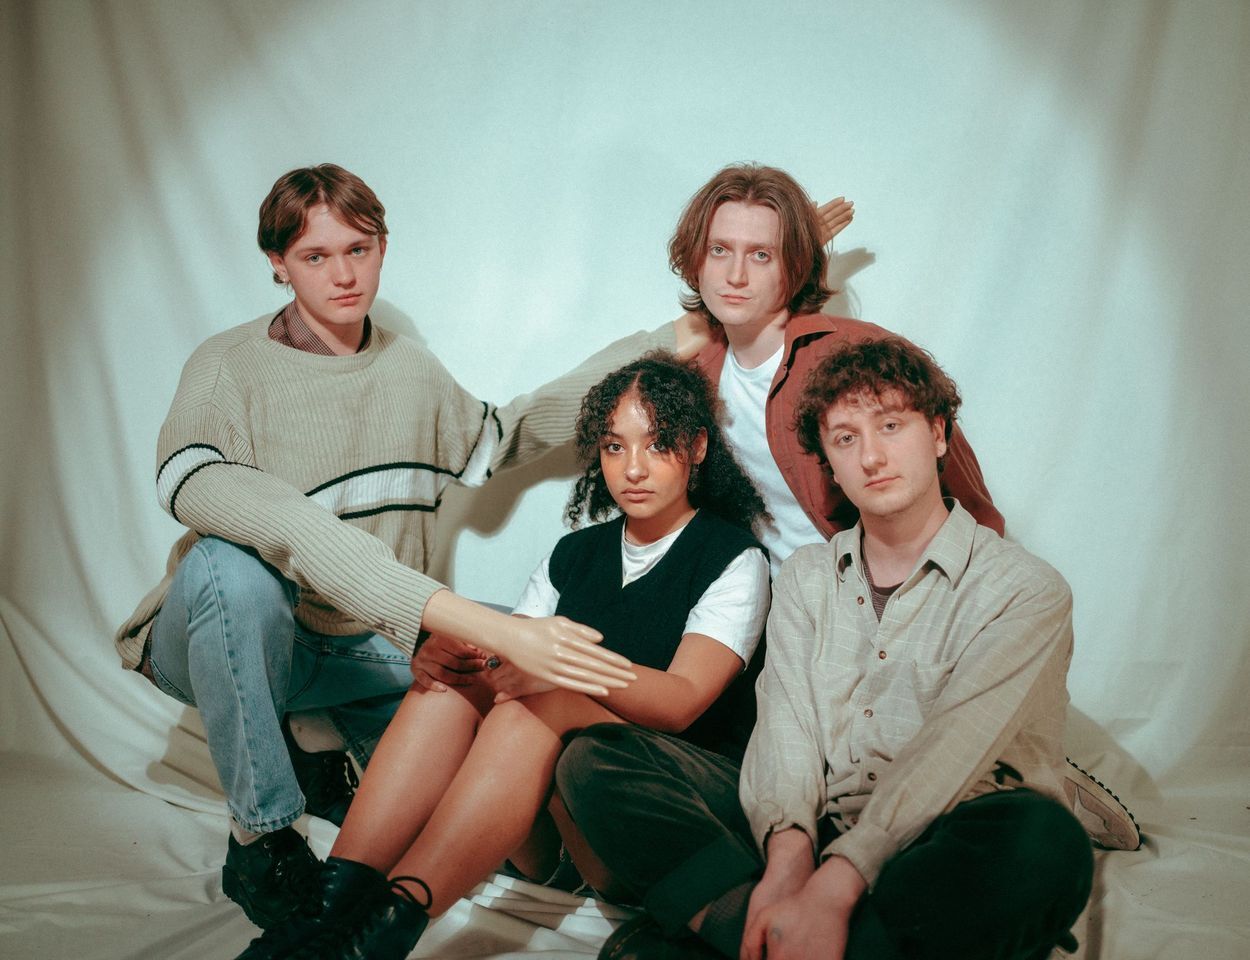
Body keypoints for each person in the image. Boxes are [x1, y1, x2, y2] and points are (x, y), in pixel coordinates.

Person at [113, 164, 711, 929]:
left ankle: (330, 754)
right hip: (229, 636)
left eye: (358, 250)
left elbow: (505, 434)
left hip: (364, 644)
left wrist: (673, 340)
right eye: (315, 256)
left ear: (383, 247)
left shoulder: (408, 371)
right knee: (231, 569)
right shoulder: (226, 367)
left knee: (538, 657)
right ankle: (262, 839)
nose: (343, 275)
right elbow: (228, 501)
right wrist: (446, 617)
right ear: (277, 263)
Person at [559, 337, 1095, 960]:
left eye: (890, 426)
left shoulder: (1025, 590)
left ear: (938, 433)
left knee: (1045, 843)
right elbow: (787, 729)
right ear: (829, 465)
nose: (871, 456)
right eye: (845, 438)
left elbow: (952, 753)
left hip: (938, 836)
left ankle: (738, 939)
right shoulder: (807, 577)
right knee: (597, 758)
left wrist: (838, 885)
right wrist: (788, 859)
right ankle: (775, 932)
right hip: (810, 828)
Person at [232, 352, 772, 959]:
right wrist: (455, 661)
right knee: (455, 680)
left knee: (539, 698)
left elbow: (681, 703)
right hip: (546, 825)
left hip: (655, 808)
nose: (634, 468)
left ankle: (384, 929)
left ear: (697, 447)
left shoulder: (732, 557)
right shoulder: (573, 555)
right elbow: (507, 671)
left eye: (658, 444)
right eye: (614, 447)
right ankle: (327, 909)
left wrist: (555, 670)